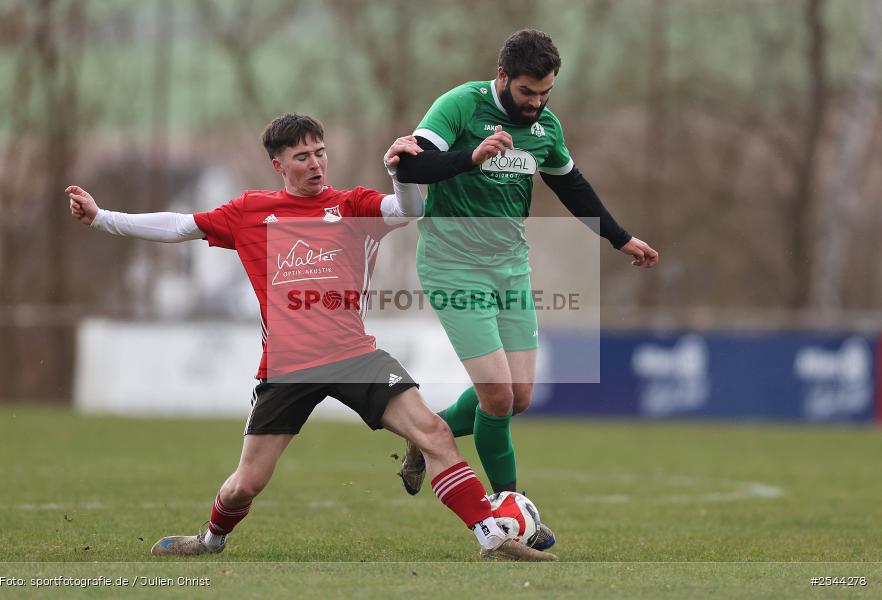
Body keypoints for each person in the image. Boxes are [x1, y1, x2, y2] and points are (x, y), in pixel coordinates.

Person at [66, 113, 557, 561]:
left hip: (354, 356)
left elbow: (406, 209)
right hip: (287, 367)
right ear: (279, 165)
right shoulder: (251, 211)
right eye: (303, 156)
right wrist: (103, 217)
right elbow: (179, 226)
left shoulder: (350, 205)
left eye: (320, 152)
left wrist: (400, 173)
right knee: (245, 486)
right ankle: (210, 540)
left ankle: (491, 536)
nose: (316, 163)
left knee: (435, 434)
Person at [394, 30, 660, 550]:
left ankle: (422, 437)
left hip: (510, 267)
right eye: (526, 93)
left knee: (518, 398)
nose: (536, 104)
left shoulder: (545, 128)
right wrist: (471, 156)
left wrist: (620, 238)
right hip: (453, 267)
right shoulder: (459, 106)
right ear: (502, 78)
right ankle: (507, 513)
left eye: (545, 93)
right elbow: (409, 165)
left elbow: (570, 184)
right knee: (495, 397)